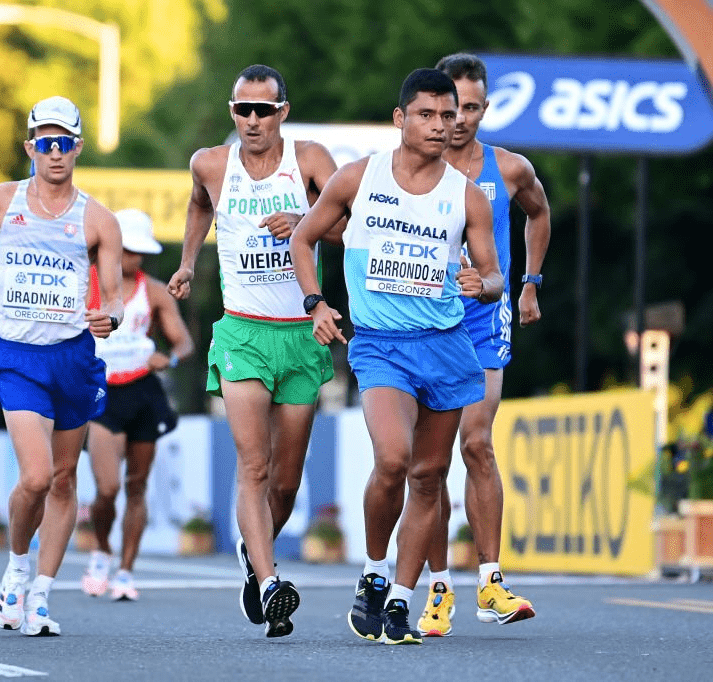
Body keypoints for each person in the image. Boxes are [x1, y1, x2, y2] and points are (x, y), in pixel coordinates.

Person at [290, 68, 504, 645]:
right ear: (400, 119)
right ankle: (374, 573)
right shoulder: (360, 179)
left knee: (430, 476)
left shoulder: (463, 197)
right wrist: (315, 303)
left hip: (447, 347)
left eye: (449, 115)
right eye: (428, 115)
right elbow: (302, 238)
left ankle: (403, 602)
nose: (441, 126)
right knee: (392, 460)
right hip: (382, 346)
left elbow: (493, 276)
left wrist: (479, 284)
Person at [167, 64, 343, 638]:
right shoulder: (210, 164)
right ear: (232, 112)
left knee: (287, 483)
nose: (252, 120)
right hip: (241, 330)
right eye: (242, 109)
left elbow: (352, 223)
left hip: (301, 332)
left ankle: (253, 551)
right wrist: (190, 261)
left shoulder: (310, 160)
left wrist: (306, 222)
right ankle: (270, 585)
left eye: (263, 110)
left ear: (282, 113)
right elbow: (199, 204)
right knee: (255, 465)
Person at [0, 95, 123, 636]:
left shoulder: (99, 219)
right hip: (19, 354)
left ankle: (42, 597)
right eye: (45, 144)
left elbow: (115, 295)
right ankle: (16, 569)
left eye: (65, 143)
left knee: (66, 480)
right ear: (30, 147)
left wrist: (110, 317)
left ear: (77, 148)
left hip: (73, 356)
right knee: (36, 475)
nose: (55, 153)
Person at [410, 53, 552, 637]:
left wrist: (530, 284)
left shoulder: (509, 168)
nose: (460, 119)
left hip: (483, 319)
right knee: (430, 465)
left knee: (476, 441)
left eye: (471, 107)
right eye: (452, 108)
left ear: (485, 108)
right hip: (421, 322)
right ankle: (439, 588)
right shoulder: (411, 170)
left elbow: (538, 215)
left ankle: (491, 582)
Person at [81, 209, 194, 601]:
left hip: (143, 391)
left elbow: (184, 342)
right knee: (108, 487)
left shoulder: (156, 291)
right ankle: (101, 549)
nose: (135, 259)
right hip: (101, 393)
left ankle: (126, 571)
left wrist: (171, 358)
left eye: (140, 252)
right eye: (129, 250)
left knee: (137, 485)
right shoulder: (85, 285)